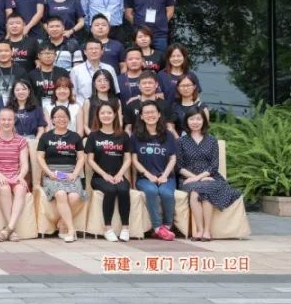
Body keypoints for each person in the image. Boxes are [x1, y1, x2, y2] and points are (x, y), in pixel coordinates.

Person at [177, 107, 242, 242]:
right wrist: (194, 178)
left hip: (210, 176)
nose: (195, 122)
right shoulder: (181, 141)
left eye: (198, 119)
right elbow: (179, 166)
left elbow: (214, 166)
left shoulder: (212, 140)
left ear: (204, 121)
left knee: (206, 192)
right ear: (187, 121)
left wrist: (200, 177)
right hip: (188, 178)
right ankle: (200, 230)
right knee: (195, 193)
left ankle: (207, 231)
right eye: (192, 119)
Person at [35, 105, 86, 243]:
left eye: (64, 116)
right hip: (52, 174)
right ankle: (71, 230)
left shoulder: (75, 137)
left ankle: (62, 224)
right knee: (61, 194)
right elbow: (40, 157)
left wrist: (75, 174)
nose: (61, 119)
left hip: (71, 173)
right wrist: (49, 172)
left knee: (74, 197)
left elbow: (81, 158)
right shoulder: (46, 137)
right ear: (52, 120)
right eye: (57, 117)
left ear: (68, 119)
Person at [85, 101, 133, 242]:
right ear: (98, 116)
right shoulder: (93, 136)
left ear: (115, 115)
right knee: (110, 190)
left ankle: (125, 228)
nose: (106, 115)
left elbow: (128, 159)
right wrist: (104, 175)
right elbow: (90, 160)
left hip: (118, 175)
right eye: (103, 113)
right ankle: (108, 228)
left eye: (109, 113)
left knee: (123, 189)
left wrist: (119, 174)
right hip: (99, 177)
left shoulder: (123, 135)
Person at [131, 101, 178, 241]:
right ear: (141, 116)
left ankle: (167, 226)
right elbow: (134, 160)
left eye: (153, 112)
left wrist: (165, 175)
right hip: (144, 178)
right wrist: (148, 175)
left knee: (166, 193)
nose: (150, 115)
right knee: (151, 191)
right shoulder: (135, 136)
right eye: (146, 112)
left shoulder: (168, 135)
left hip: (167, 176)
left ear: (159, 114)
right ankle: (157, 228)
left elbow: (173, 159)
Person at [0, 107, 30, 242]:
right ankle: (12, 231)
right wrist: (0, 176)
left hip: (15, 175)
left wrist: (21, 176)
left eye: (9, 119)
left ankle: (8, 229)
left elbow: (24, 164)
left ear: (14, 121)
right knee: (4, 188)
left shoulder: (21, 140)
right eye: (3, 119)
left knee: (21, 188)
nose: (6, 122)